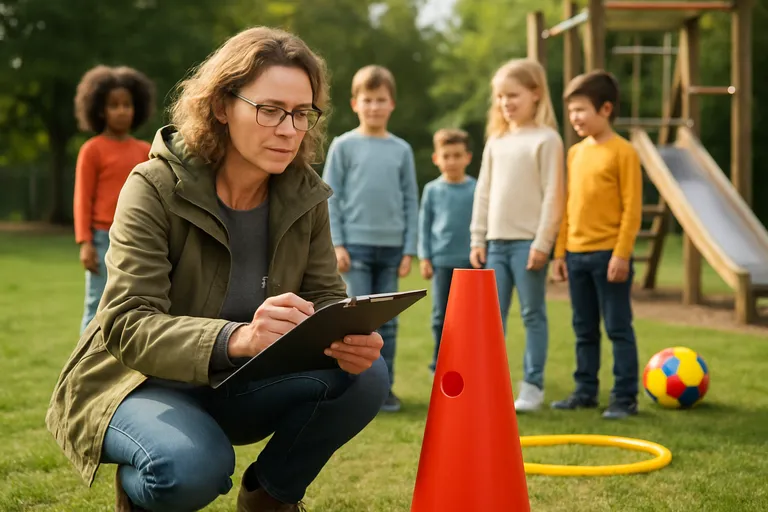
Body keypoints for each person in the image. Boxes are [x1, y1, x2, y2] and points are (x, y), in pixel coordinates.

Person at [46, 27, 390, 512]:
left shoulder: (304, 192)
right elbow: (126, 324)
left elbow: (325, 298)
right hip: (137, 383)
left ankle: (269, 496)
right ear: (222, 106)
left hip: (238, 383)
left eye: (300, 113)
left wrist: (348, 333)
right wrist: (238, 338)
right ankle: (145, 481)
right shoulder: (153, 186)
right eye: (270, 110)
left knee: (368, 376)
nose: (290, 129)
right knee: (189, 470)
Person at [469, 58, 565, 412]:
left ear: (536, 94)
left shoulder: (547, 140)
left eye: (513, 95)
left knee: (532, 315)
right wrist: (477, 237)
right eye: (500, 97)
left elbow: (554, 195)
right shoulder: (496, 140)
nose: (506, 103)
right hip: (495, 244)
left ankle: (533, 387)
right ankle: (491, 386)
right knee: (492, 319)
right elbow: (484, 192)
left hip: (528, 246)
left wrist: (543, 243)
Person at [321, 64, 419, 413]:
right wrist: (338, 243)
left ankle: (385, 389)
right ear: (354, 103)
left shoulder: (401, 150)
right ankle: (355, 388)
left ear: (392, 104)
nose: (374, 106)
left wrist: (410, 248)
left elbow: (410, 199)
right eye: (368, 99)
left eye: (381, 100)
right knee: (357, 324)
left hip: (392, 249)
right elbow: (331, 195)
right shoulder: (343, 146)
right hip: (355, 248)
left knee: (388, 325)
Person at [550, 70, 643, 420]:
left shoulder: (624, 152)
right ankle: (585, 391)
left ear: (606, 109)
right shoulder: (574, 154)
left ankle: (624, 397)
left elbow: (633, 209)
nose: (574, 117)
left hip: (609, 257)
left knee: (618, 327)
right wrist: (561, 253)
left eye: (581, 110)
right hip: (576, 256)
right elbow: (568, 205)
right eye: (571, 111)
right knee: (583, 328)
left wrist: (621, 253)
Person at [72, 65, 156, 334]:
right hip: (101, 238)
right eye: (114, 105)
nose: (122, 110)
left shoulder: (146, 150)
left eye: (127, 105)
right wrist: (85, 243)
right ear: (99, 110)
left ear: (137, 108)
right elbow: (82, 199)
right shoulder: (92, 150)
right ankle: (84, 369)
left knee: (135, 303)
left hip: (138, 237)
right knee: (96, 304)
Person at [417, 128, 475, 374]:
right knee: (441, 315)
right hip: (441, 260)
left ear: (467, 157)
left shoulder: (477, 188)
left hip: (471, 262)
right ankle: (440, 360)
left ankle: (467, 358)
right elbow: (425, 224)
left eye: (457, 155)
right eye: (446, 156)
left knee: (468, 316)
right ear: (436, 159)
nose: (451, 161)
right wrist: (425, 257)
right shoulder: (432, 190)